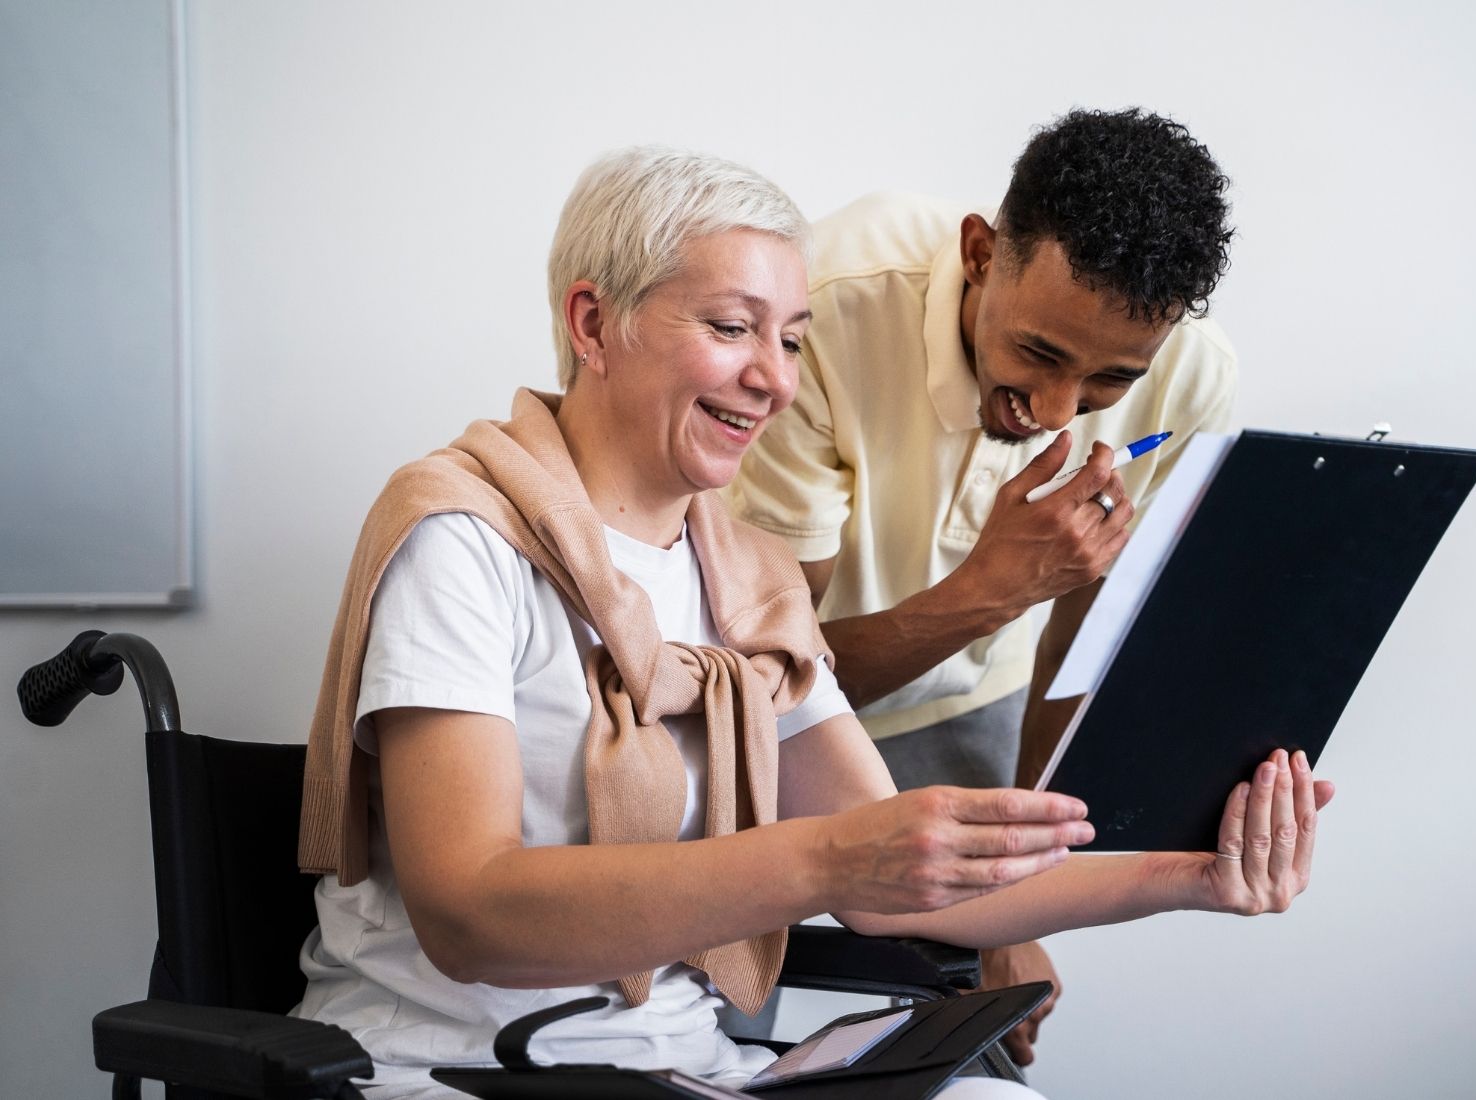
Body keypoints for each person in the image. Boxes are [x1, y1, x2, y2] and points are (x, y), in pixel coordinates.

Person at [291, 147, 1329, 1099]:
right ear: (593, 324)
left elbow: (908, 890)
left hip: (684, 1067)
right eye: (731, 328)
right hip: (444, 1068)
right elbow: (468, 912)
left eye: (790, 340)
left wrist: (1193, 875)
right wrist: (825, 859)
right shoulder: (460, 540)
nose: (777, 380)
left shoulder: (748, 581)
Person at [728, 108, 1240, 1062]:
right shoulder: (822, 309)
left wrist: (1022, 889)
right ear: (978, 254)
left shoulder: (1192, 381)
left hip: (979, 706)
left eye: (1108, 381)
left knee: (980, 1031)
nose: (1056, 411)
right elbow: (766, 687)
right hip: (784, 707)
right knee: (721, 1009)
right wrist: (995, 589)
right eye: (1039, 353)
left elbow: (1082, 639)